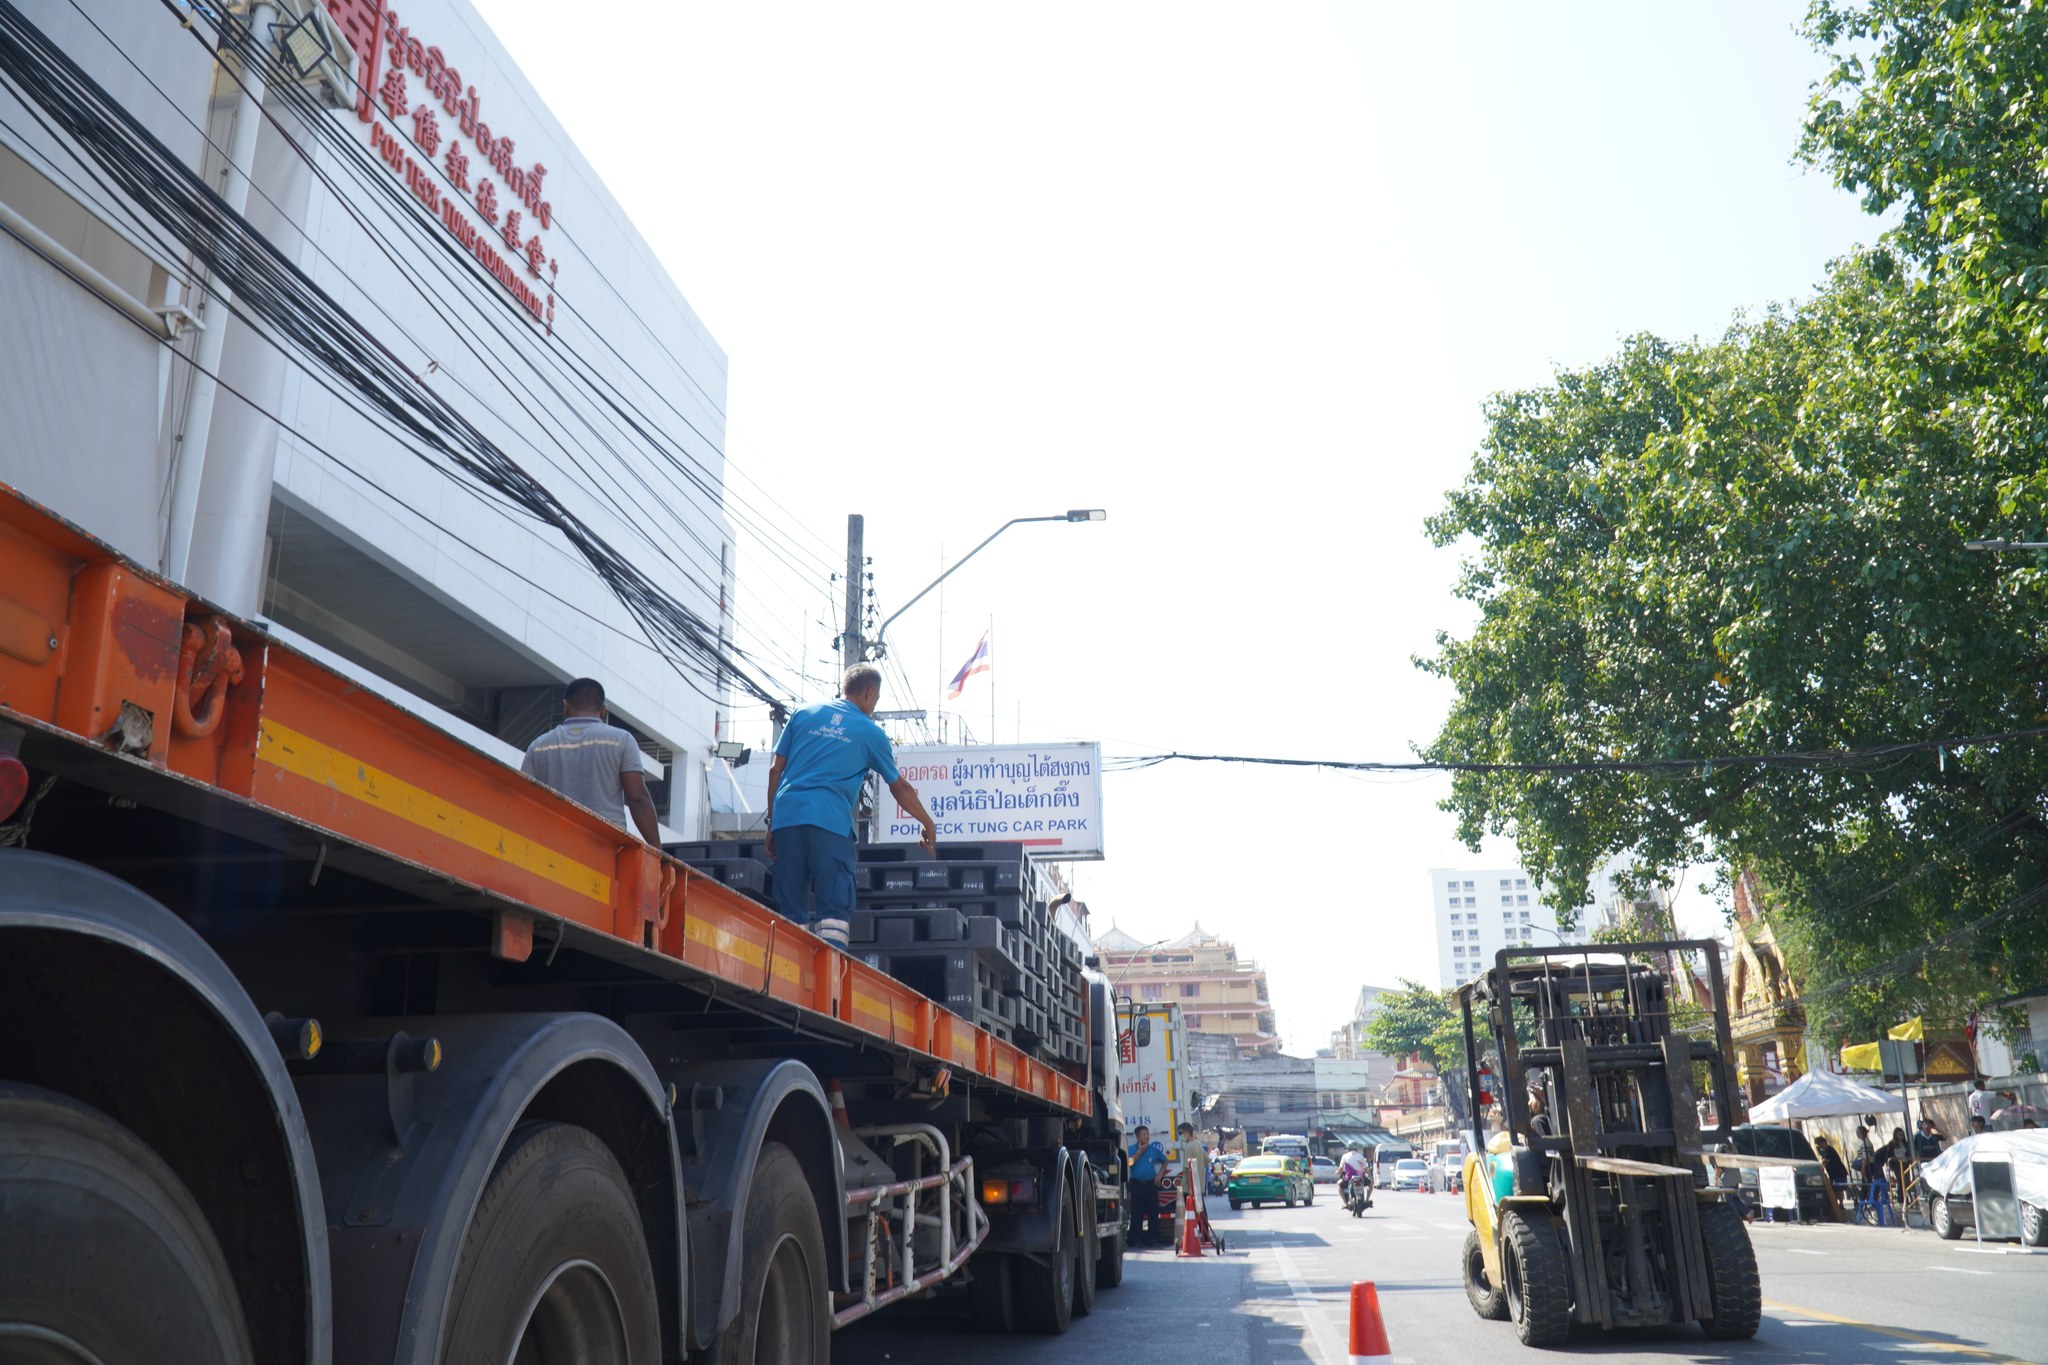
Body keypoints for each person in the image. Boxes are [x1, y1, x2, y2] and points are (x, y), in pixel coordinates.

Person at [765, 664, 937, 945]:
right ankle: (830, 970)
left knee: (791, 913)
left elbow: (775, 770)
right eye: (876, 699)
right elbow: (899, 787)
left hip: (787, 818)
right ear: (869, 692)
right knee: (833, 913)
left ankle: (789, 968)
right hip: (829, 823)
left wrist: (773, 825)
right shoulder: (870, 733)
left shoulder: (802, 714)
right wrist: (927, 821)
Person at [521, 678, 661, 843]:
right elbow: (637, 798)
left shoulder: (538, 746)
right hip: (606, 846)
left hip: (552, 844)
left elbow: (524, 799)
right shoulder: (621, 740)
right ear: (603, 711)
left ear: (565, 706)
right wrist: (657, 851)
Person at [1128, 1125, 1169, 1247]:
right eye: (1143, 1134)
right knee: (1136, 1214)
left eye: (1147, 1134)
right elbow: (1129, 1163)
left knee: (1153, 1213)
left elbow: (1165, 1160)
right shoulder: (1131, 1149)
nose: (1146, 1136)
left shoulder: (1153, 1149)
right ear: (1137, 1137)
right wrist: (1139, 1152)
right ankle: (1136, 1240)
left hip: (1151, 1185)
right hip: (1136, 1185)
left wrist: (1160, 1175)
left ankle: (1153, 1240)